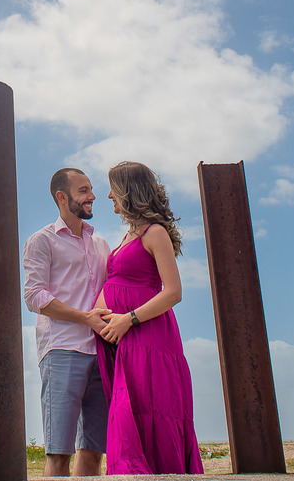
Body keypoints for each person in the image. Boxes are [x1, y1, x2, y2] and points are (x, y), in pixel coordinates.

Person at [95, 161, 203, 474]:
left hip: (150, 337)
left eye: (113, 189)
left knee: (152, 411)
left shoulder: (154, 233)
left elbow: (173, 292)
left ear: (128, 191)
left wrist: (128, 319)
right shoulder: (127, 236)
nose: (109, 196)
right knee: (130, 413)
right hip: (125, 342)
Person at [23, 168, 112, 476]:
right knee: (58, 453)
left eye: (91, 189)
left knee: (93, 452)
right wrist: (83, 317)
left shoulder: (101, 244)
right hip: (61, 351)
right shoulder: (42, 240)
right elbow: (34, 296)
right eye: (83, 190)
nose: (92, 196)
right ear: (62, 197)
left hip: (101, 353)